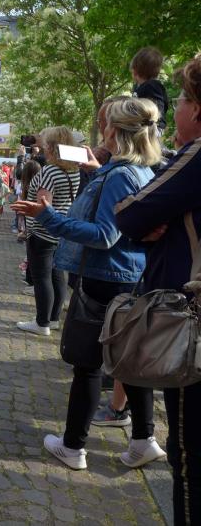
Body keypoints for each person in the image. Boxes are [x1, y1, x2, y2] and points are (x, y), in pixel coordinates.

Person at [13, 97, 165, 471]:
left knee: (88, 365)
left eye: (105, 123)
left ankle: (73, 446)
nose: (100, 129)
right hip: (125, 276)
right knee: (128, 363)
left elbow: (104, 235)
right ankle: (143, 439)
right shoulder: (136, 170)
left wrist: (49, 217)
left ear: (115, 131)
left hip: (105, 277)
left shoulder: (120, 175)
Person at [115, 54, 201, 525]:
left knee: (188, 457)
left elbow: (130, 214)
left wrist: (157, 223)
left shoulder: (197, 155)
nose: (176, 109)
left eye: (184, 98)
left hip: (193, 326)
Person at [15, 127, 80, 335]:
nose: (42, 145)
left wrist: (28, 220)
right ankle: (52, 319)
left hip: (43, 231)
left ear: (52, 146)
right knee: (57, 276)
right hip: (61, 229)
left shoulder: (50, 171)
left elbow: (44, 206)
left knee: (42, 277)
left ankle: (41, 323)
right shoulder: (74, 170)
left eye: (45, 142)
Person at [130, 46, 169, 132]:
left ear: (135, 69)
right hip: (143, 126)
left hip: (152, 127)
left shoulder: (152, 85)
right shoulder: (138, 87)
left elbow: (158, 106)